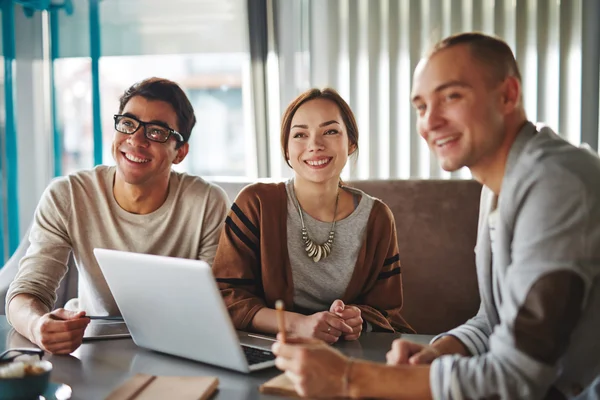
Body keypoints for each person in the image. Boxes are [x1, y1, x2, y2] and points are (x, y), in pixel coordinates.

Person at [272, 32, 600, 399]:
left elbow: (515, 376)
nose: (431, 121)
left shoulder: (556, 184)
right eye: (421, 106)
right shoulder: (499, 184)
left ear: (508, 94)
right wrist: (442, 351)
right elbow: (495, 319)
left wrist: (350, 378)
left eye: (451, 97)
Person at [6, 77, 229, 355]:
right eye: (128, 123)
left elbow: (218, 302)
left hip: (179, 348)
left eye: (157, 131)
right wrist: (37, 326)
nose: (136, 140)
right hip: (91, 345)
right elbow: (26, 292)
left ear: (180, 152)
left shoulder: (207, 202)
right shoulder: (69, 194)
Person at [212, 88, 413, 344]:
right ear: (286, 149)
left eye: (330, 131)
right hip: (271, 348)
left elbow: (386, 311)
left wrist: (356, 319)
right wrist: (298, 325)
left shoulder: (377, 218)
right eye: (300, 135)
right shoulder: (256, 203)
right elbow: (225, 296)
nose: (315, 145)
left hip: (346, 353)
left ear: (351, 142)